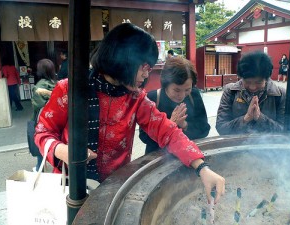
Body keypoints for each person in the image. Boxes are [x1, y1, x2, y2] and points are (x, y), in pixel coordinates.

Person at [34, 23, 225, 203]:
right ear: (123, 58)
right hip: (70, 187)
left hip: (114, 187)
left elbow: (168, 131)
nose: (146, 74)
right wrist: (63, 151)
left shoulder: (135, 98)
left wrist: (201, 167)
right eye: (144, 67)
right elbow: (42, 132)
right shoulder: (70, 89)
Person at [139, 57, 210, 154]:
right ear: (166, 84)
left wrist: (185, 125)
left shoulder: (193, 95)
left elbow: (204, 129)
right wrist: (170, 125)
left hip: (188, 154)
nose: (181, 95)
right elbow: (144, 137)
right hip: (159, 157)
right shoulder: (152, 98)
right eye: (177, 90)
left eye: (187, 89)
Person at [216, 51, 286, 135]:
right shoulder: (231, 91)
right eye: (247, 82)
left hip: (268, 146)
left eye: (258, 82)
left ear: (267, 78)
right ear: (241, 77)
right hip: (236, 145)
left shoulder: (280, 94)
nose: (252, 87)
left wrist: (261, 118)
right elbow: (221, 127)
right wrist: (246, 118)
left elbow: (285, 131)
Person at [30, 59, 57, 171]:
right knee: (56, 141)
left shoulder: (39, 86)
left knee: (42, 141)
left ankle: (39, 168)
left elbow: (37, 105)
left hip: (44, 121)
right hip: (57, 120)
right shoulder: (56, 83)